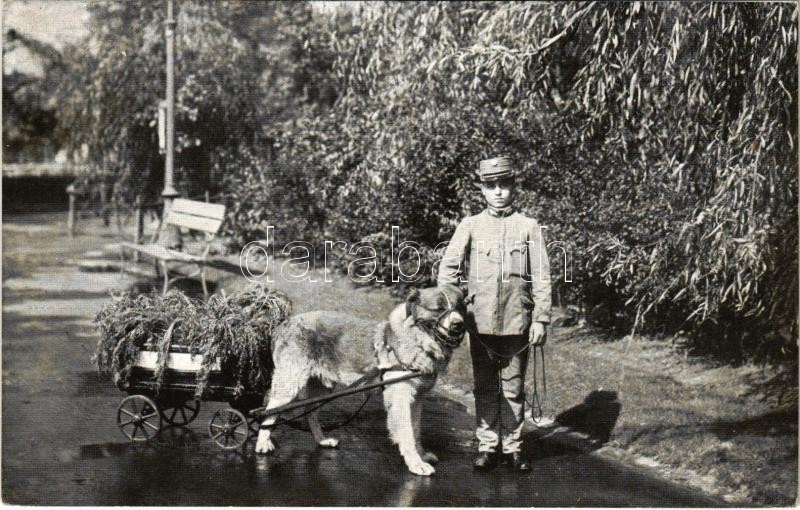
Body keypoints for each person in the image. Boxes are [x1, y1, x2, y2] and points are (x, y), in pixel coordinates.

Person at [437, 155, 551, 471]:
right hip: (480, 323)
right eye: (491, 186)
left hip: (517, 321)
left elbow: (541, 275)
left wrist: (541, 318)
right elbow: (447, 270)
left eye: (504, 185)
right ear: (482, 190)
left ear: (514, 187)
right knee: (485, 386)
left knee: (513, 387)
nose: (498, 192)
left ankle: (513, 448)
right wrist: (454, 306)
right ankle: (488, 446)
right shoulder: (470, 225)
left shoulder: (528, 227)